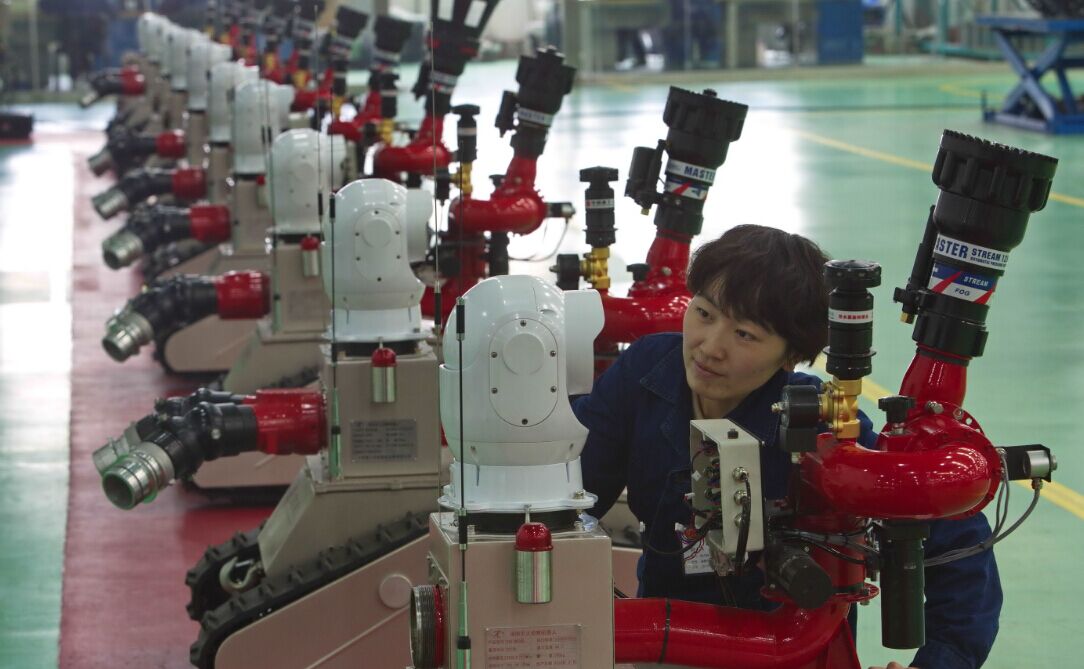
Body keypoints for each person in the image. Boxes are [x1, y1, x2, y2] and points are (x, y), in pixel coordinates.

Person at [574, 224, 1001, 669]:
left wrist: (941, 662)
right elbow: (572, 491)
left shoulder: (821, 430)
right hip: (661, 644)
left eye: (745, 334)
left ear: (790, 355)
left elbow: (959, 545)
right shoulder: (647, 372)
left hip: (788, 652)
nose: (710, 347)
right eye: (703, 313)